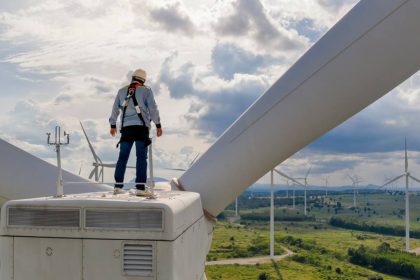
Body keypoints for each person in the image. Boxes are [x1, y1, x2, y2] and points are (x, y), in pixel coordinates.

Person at [109, 68, 162, 196]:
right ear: (143, 80)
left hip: (126, 129)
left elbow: (115, 109)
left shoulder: (121, 91)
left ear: (132, 78)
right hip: (141, 128)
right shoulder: (146, 90)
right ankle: (140, 188)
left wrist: (112, 124)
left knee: (122, 157)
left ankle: (117, 186)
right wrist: (158, 125)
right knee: (141, 158)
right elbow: (153, 108)